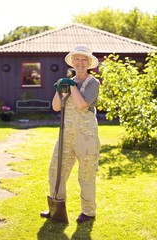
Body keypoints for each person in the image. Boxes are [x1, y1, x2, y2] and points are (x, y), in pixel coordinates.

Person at [41, 45, 100, 223]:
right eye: (77, 59)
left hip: (86, 136)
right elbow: (56, 107)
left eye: (84, 60)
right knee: (56, 171)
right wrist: (60, 89)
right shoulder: (66, 82)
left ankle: (88, 212)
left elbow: (82, 106)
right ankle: (56, 208)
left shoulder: (93, 83)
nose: (80, 63)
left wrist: (72, 87)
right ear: (72, 62)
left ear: (89, 63)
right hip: (66, 135)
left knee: (86, 175)